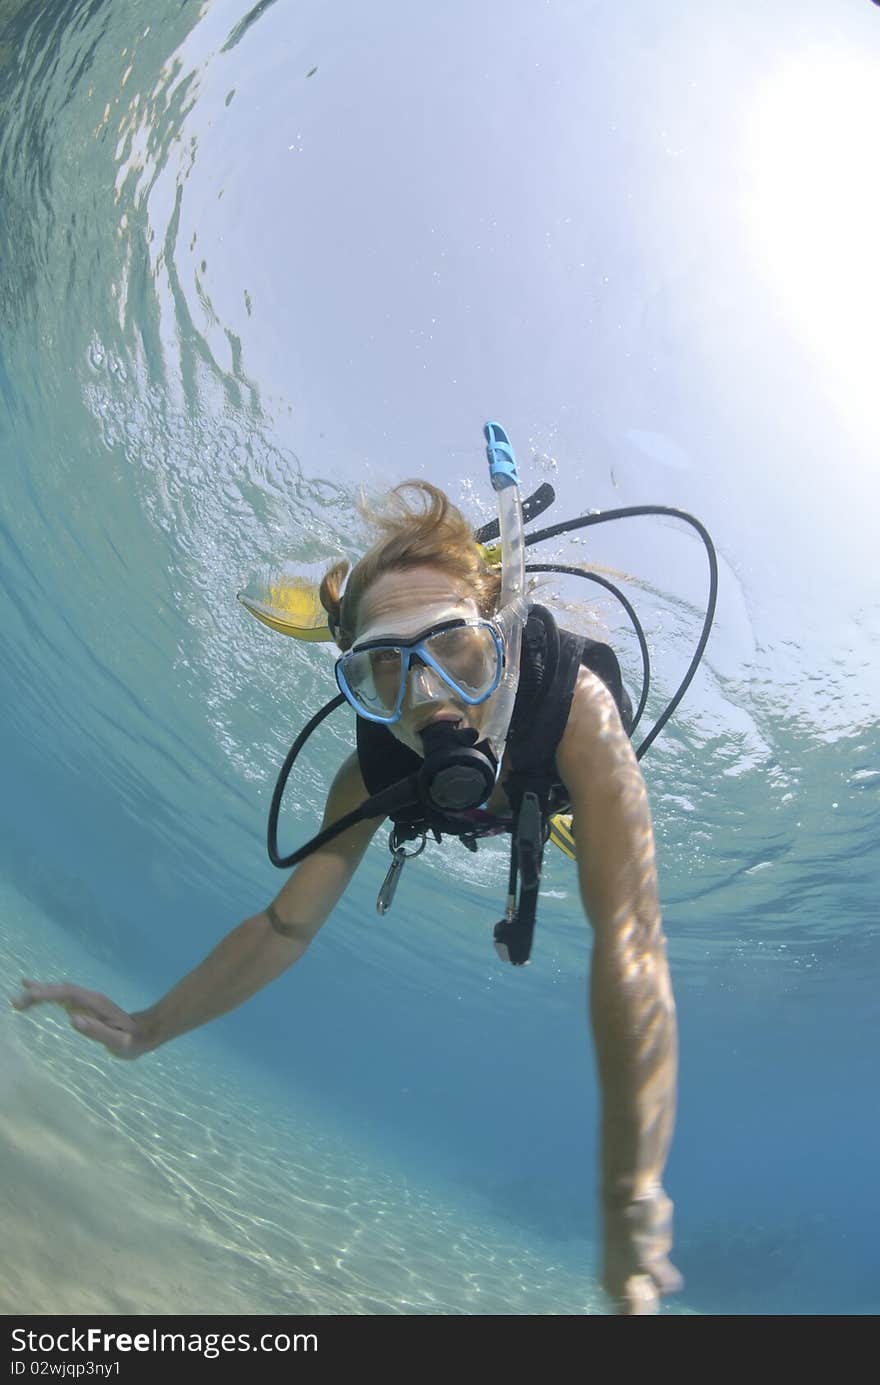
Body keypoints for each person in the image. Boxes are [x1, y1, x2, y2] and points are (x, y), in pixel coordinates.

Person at [13, 427, 687, 1315]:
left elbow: (632, 941)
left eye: (457, 649)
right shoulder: (373, 770)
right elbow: (283, 925)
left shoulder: (576, 713)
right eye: (382, 672)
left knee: (566, 820)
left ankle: (551, 812)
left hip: (552, 781)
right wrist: (147, 1026)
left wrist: (629, 1190)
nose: (429, 698)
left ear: (503, 638)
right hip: (465, 785)